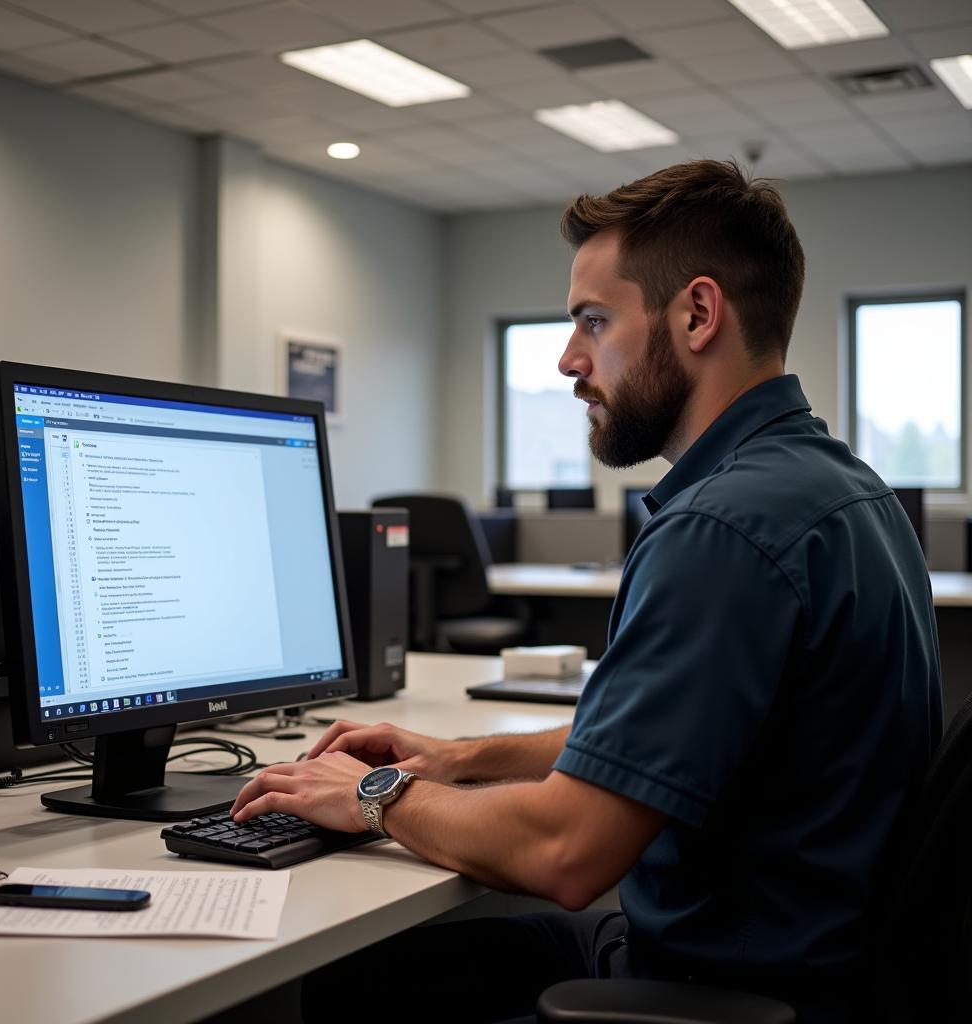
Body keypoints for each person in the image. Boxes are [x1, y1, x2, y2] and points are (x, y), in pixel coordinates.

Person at [230, 160, 941, 1024]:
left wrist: (372, 797)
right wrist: (459, 759)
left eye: (594, 322)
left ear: (698, 314)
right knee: (372, 976)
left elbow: (566, 854)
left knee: (347, 996)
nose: (569, 359)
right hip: (800, 961)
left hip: (720, 991)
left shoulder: (720, 532)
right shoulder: (846, 492)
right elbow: (670, 736)